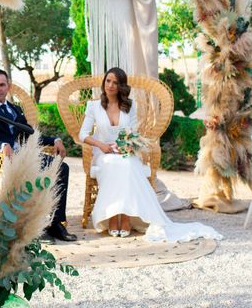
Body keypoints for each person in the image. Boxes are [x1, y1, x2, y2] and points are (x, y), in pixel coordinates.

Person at [79, 67, 222, 242]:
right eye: (108, 81)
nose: (110, 85)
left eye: (115, 82)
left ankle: (124, 217)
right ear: (104, 83)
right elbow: (83, 134)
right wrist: (101, 145)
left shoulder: (129, 106)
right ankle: (110, 217)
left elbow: (132, 132)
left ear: (121, 86)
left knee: (129, 164)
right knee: (113, 164)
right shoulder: (93, 106)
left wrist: (126, 146)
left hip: (124, 151)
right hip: (103, 153)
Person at [0, 69, 77, 243]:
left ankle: (55, 223)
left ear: (8, 87)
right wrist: (2, 146)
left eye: (2, 85)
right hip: (3, 159)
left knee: (61, 167)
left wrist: (55, 140)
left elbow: (29, 135)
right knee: (34, 171)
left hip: (24, 156)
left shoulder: (15, 109)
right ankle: (34, 227)